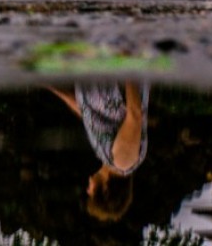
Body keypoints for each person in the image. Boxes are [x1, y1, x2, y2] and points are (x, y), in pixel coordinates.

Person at [48, 81, 149, 222]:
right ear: (106, 191)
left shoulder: (107, 158)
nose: (87, 190)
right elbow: (135, 114)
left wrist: (52, 87)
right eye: (92, 193)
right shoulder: (123, 162)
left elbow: (87, 115)